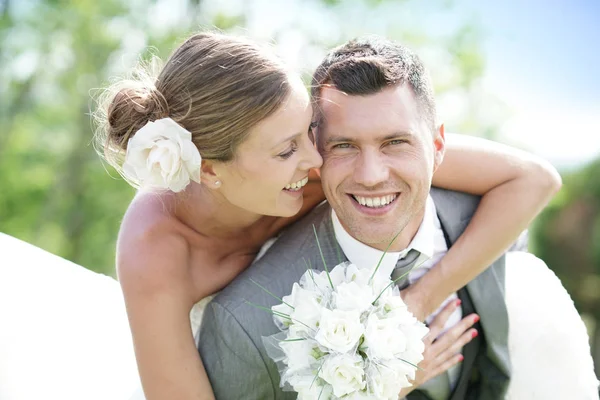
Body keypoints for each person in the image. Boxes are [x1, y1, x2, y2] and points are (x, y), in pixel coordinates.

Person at [0, 31, 582, 400]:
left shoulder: (324, 167)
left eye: (309, 132)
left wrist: (418, 303)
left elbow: (531, 179)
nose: (318, 160)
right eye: (287, 150)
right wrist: (380, 382)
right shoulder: (158, 254)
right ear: (209, 170)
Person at [197, 36, 598, 399]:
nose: (371, 176)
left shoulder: (486, 220)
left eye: (395, 142)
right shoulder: (245, 322)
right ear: (315, 151)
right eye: (344, 146)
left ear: (438, 145)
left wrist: (421, 299)